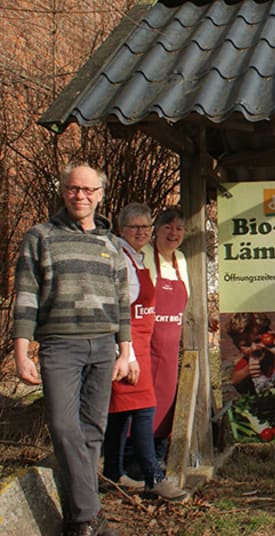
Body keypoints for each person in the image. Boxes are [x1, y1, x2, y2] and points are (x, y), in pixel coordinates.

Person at [13, 163, 131, 535]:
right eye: (72, 189)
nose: (80, 196)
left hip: (103, 347)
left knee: (93, 430)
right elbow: (26, 298)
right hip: (60, 345)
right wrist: (21, 351)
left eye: (88, 190)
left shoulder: (111, 245)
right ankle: (90, 515)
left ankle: (78, 521)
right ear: (63, 191)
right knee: (64, 427)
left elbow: (122, 303)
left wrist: (125, 352)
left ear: (100, 195)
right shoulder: (40, 237)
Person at [103, 202, 187, 502]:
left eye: (144, 226)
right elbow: (115, 310)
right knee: (143, 410)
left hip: (139, 342)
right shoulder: (119, 260)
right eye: (134, 227)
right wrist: (128, 354)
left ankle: (112, 473)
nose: (140, 232)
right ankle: (153, 477)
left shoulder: (135, 258)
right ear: (121, 229)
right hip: (130, 347)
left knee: (121, 414)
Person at [142, 207, 190, 464]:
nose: (173, 233)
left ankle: (158, 457)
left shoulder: (181, 261)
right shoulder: (145, 256)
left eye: (179, 229)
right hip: (144, 349)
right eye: (168, 228)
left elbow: (187, 303)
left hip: (170, 352)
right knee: (140, 405)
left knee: (166, 404)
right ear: (156, 230)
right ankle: (135, 459)